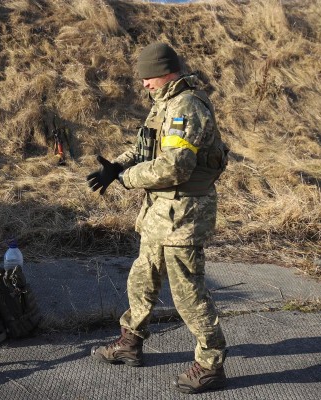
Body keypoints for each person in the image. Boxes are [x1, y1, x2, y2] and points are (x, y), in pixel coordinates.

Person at [86, 42, 230, 394]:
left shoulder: (187, 106)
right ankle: (129, 343)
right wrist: (117, 165)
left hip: (184, 215)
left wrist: (127, 179)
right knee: (142, 278)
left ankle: (211, 363)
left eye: (148, 77)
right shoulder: (164, 104)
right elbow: (143, 148)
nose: (144, 84)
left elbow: (175, 167)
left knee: (187, 293)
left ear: (166, 72)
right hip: (158, 213)